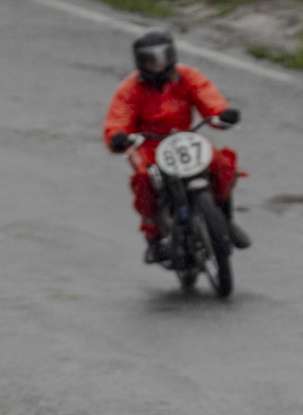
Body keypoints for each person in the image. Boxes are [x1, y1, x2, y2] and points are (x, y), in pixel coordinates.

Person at [103, 31, 250, 264]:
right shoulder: (130, 89)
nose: (158, 65)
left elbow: (207, 95)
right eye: (151, 60)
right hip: (147, 145)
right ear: (141, 62)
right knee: (144, 180)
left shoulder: (187, 76)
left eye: (163, 58)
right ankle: (153, 238)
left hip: (184, 138)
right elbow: (119, 117)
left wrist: (222, 113)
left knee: (221, 164)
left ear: (172, 55)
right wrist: (118, 136)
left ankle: (224, 217)